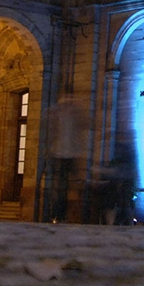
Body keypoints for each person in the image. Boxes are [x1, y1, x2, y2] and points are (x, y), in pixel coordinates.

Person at [46, 94, 87, 223]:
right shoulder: (59, 115)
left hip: (67, 153)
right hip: (61, 153)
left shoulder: (69, 116)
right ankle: (58, 214)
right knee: (60, 185)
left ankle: (63, 215)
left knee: (64, 184)